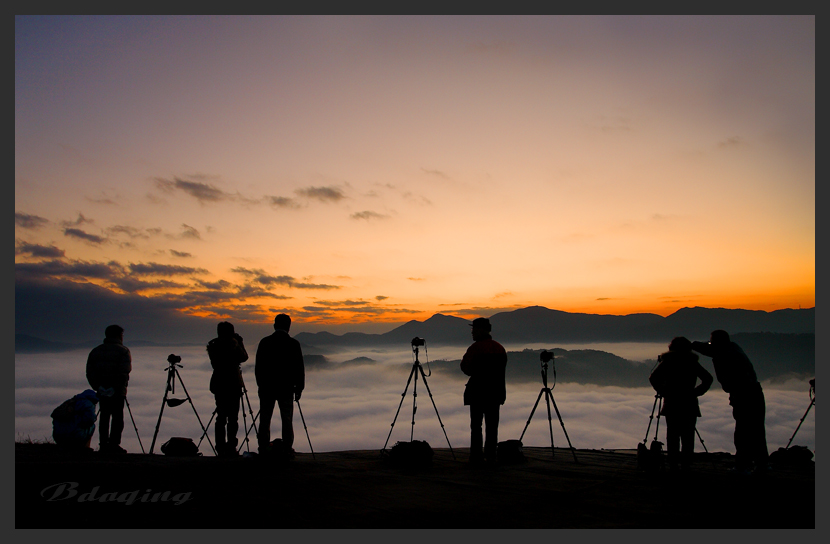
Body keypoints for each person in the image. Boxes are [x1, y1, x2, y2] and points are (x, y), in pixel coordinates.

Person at [691, 330, 769, 474]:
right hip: (754, 392)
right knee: (757, 430)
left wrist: (690, 345)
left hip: (743, 395)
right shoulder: (733, 348)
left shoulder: (725, 353)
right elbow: (708, 348)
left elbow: (707, 349)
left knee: (742, 432)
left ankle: (742, 466)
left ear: (717, 342)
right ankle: (761, 464)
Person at [649, 337, 713, 471]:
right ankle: (686, 463)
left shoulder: (667, 362)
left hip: (672, 402)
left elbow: (653, 378)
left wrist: (663, 391)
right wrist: (696, 392)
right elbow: (708, 378)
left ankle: (673, 463)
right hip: (689, 402)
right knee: (688, 434)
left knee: (672, 434)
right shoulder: (692, 362)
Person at [255, 313, 305, 457]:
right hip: (286, 388)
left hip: (267, 388)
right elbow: (299, 368)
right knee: (287, 419)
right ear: (289, 327)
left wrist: (261, 385)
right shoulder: (293, 344)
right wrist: (299, 388)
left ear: (275, 325)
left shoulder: (265, 342)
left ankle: (263, 447)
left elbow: (259, 367)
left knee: (265, 418)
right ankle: (287, 447)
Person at [460, 317, 507, 465]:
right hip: (495, 393)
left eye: (474, 329)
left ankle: (476, 457)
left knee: (476, 426)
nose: (472, 333)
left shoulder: (475, 348)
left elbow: (466, 368)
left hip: (478, 393)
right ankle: (491, 455)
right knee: (492, 426)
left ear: (481, 330)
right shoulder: (499, 348)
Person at [86, 324, 132, 454]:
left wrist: (98, 387)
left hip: (102, 391)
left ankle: (103, 444)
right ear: (118, 335)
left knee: (104, 417)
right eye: (122, 335)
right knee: (117, 418)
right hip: (117, 392)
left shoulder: (96, 351)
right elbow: (124, 373)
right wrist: (116, 388)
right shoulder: (123, 351)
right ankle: (114, 444)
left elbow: (90, 373)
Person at [207, 321, 249, 457]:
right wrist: (239, 342)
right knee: (233, 418)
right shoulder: (233, 344)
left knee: (221, 417)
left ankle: (220, 447)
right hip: (233, 383)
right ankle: (231, 447)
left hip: (219, 383)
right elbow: (244, 357)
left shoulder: (213, 345)